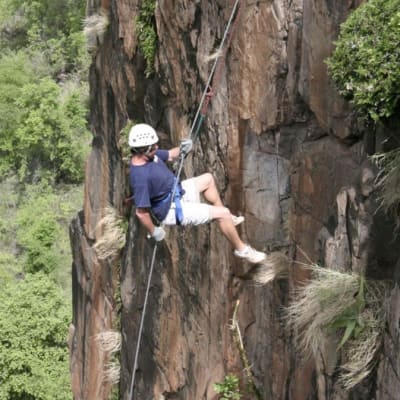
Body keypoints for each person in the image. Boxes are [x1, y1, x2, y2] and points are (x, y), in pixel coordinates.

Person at [128, 123, 267, 264]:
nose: (156, 148)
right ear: (142, 151)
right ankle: (242, 250)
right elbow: (141, 212)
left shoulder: (151, 155)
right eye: (153, 148)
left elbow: (170, 155)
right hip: (171, 209)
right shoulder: (140, 176)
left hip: (177, 192)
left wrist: (182, 148)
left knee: (208, 179)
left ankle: (228, 219)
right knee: (222, 213)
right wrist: (154, 231)